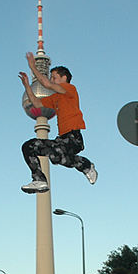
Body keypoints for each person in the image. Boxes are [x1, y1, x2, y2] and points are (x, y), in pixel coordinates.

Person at [18, 52, 97, 193]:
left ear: (64, 78)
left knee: (58, 153)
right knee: (30, 147)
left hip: (73, 137)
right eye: (51, 78)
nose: (52, 80)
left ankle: (85, 165)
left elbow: (46, 84)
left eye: (54, 77)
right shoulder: (55, 98)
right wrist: (27, 86)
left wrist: (33, 67)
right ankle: (39, 180)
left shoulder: (69, 89)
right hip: (62, 140)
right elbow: (36, 103)